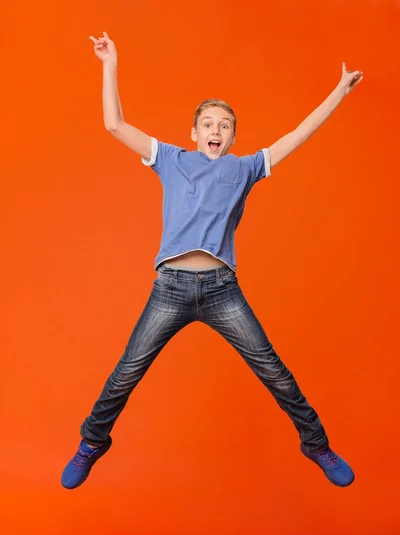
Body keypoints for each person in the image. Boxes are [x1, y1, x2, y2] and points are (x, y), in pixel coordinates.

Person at [61, 31, 363, 490]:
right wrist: (110, 64)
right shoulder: (170, 158)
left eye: (224, 125)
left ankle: (317, 444)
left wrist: (337, 93)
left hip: (223, 291)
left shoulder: (244, 168)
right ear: (194, 132)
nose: (215, 131)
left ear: (234, 136)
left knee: (275, 372)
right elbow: (115, 126)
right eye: (207, 124)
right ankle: (92, 442)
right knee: (125, 373)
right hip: (171, 289)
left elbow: (296, 136)